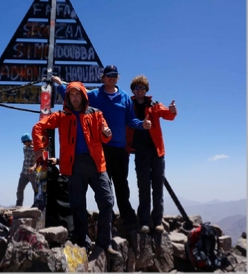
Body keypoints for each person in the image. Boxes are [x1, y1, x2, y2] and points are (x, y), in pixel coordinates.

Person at [52, 65, 151, 231]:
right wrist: (60, 84)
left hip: (120, 149)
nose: (111, 78)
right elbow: (73, 95)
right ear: (103, 78)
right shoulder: (94, 95)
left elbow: (130, 120)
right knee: (105, 187)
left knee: (121, 185)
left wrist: (142, 125)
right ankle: (109, 224)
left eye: (114, 76)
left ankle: (128, 221)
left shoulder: (125, 97)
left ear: (117, 78)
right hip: (101, 148)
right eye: (108, 76)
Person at [32, 81, 121, 256]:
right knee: (77, 206)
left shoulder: (96, 114)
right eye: (71, 95)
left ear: (83, 96)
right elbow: (39, 127)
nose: (74, 98)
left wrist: (107, 133)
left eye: (77, 94)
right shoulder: (62, 115)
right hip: (74, 166)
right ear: (67, 97)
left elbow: (105, 138)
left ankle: (104, 243)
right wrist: (39, 149)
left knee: (107, 201)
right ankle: (83, 241)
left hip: (96, 164)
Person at [126, 75, 177, 233]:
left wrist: (172, 111)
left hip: (157, 151)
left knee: (157, 186)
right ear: (133, 90)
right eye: (136, 88)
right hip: (140, 152)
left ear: (146, 90)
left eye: (142, 88)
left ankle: (157, 221)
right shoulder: (129, 105)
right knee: (143, 186)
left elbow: (168, 115)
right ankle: (144, 221)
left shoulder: (154, 105)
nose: (139, 90)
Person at [15, 133, 37, 207]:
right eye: (23, 142)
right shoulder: (25, 148)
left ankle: (36, 204)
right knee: (20, 188)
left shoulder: (34, 149)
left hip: (32, 173)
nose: (24, 144)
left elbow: (38, 161)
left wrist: (33, 167)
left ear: (28, 141)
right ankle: (19, 204)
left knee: (36, 190)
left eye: (25, 142)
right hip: (24, 172)